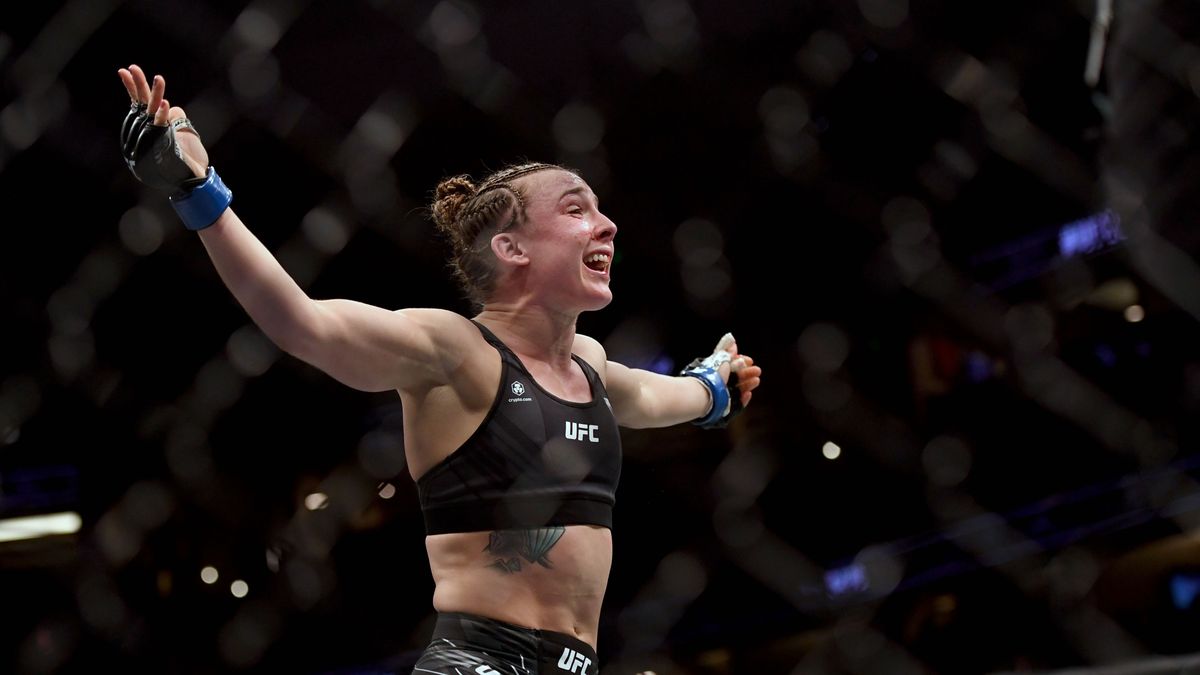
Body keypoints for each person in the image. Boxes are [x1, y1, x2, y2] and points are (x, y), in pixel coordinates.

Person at [117, 64, 762, 674]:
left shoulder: (588, 365)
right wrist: (198, 190)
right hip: (479, 660)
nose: (608, 225)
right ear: (511, 248)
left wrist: (716, 386)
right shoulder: (457, 351)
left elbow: (656, 396)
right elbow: (303, 322)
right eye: (576, 210)